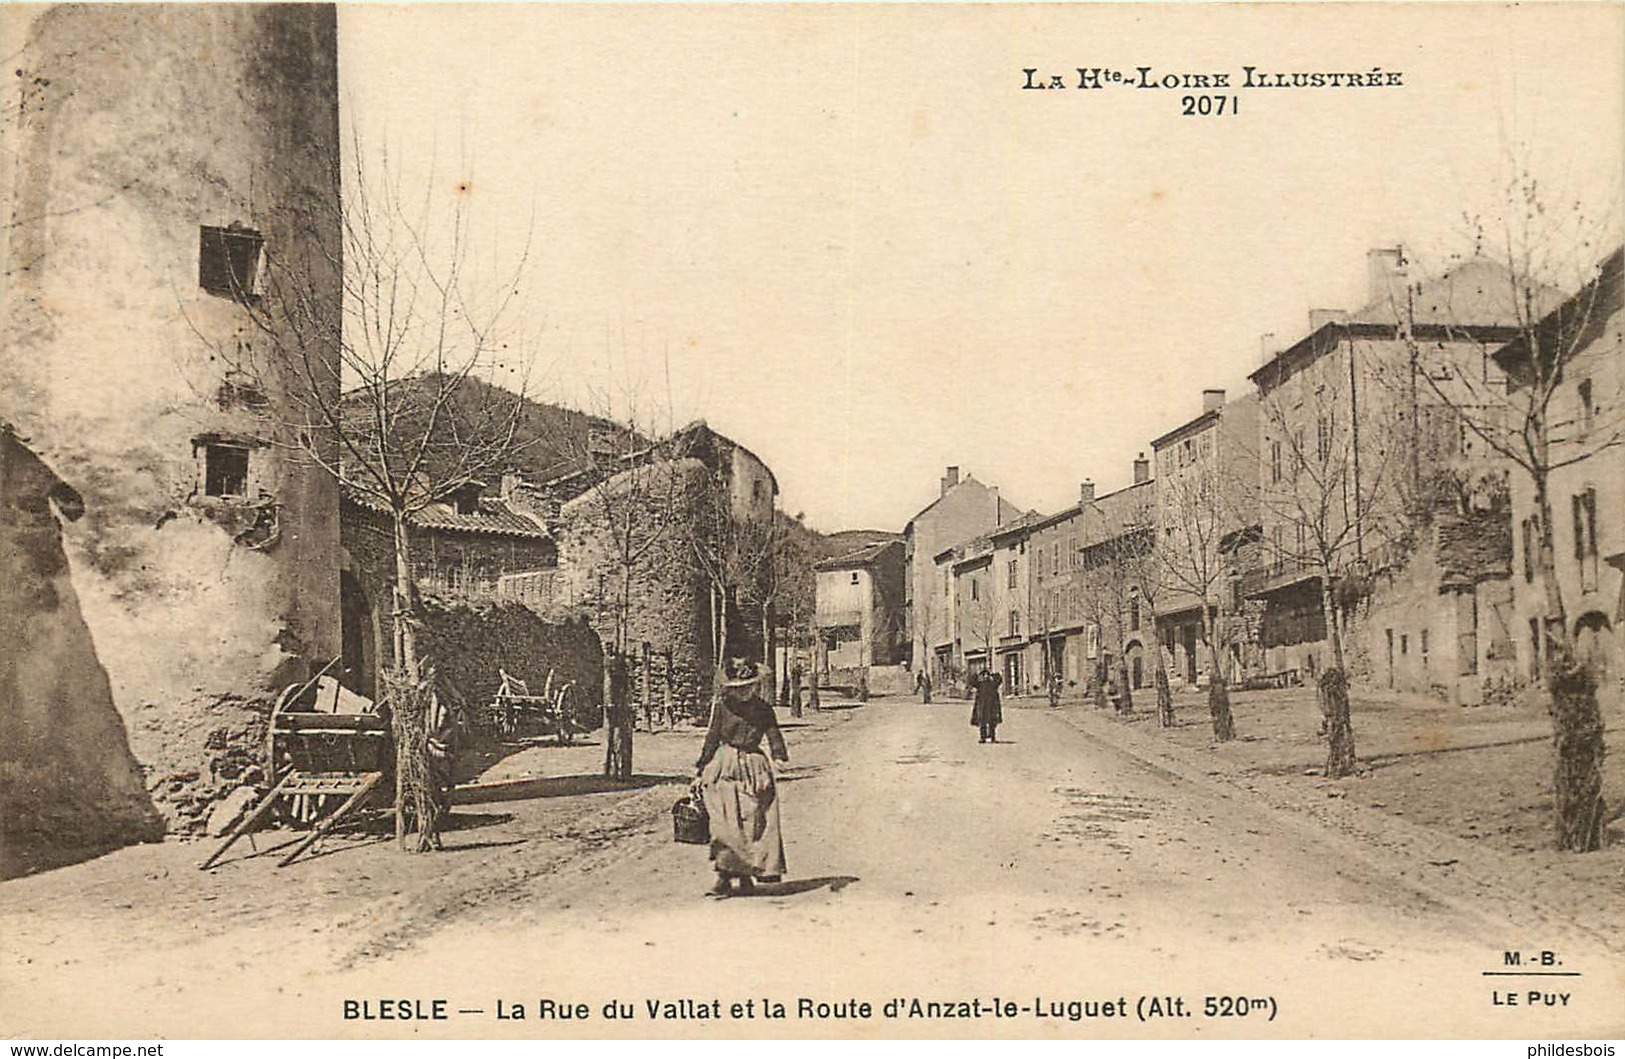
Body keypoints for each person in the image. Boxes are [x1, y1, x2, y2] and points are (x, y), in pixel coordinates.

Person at [694, 659, 789, 898]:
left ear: (755, 686)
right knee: (724, 826)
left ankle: (747, 873)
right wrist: (701, 768)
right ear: (730, 688)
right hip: (724, 765)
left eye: (748, 686)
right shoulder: (722, 707)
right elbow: (712, 737)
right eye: (738, 687)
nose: (744, 692)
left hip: (753, 767)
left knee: (753, 822)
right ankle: (724, 876)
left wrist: (778, 755)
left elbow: (773, 732)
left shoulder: (764, 709)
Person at [970, 668, 1003, 743]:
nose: (985, 677)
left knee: (992, 722)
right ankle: (983, 738)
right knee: (982, 723)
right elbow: (972, 681)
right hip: (982, 706)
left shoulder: (993, 683)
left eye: (987, 675)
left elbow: (999, 679)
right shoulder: (980, 684)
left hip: (992, 706)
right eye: (984, 675)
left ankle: (993, 738)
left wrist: (992, 674)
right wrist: (978, 674)